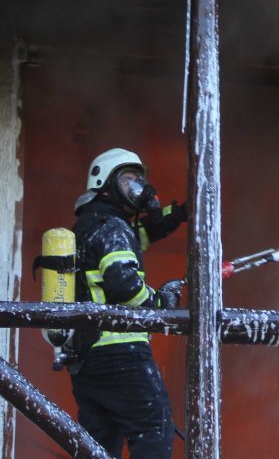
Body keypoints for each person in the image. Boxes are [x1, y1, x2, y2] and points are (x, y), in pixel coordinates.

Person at [67, 147, 187, 459]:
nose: (138, 188)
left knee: (100, 444)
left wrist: (180, 214)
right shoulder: (112, 227)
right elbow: (122, 283)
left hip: (86, 359)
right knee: (153, 427)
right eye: (129, 180)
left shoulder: (88, 226)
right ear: (105, 184)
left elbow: (140, 236)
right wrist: (160, 300)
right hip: (119, 354)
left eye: (139, 180)